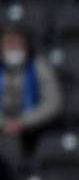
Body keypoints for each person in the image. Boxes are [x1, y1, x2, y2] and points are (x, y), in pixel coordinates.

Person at [0, 26, 62, 156]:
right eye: (9, 43)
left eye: (18, 43)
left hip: (33, 129)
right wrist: (4, 123)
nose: (13, 48)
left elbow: (52, 103)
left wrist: (23, 122)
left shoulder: (39, 67)